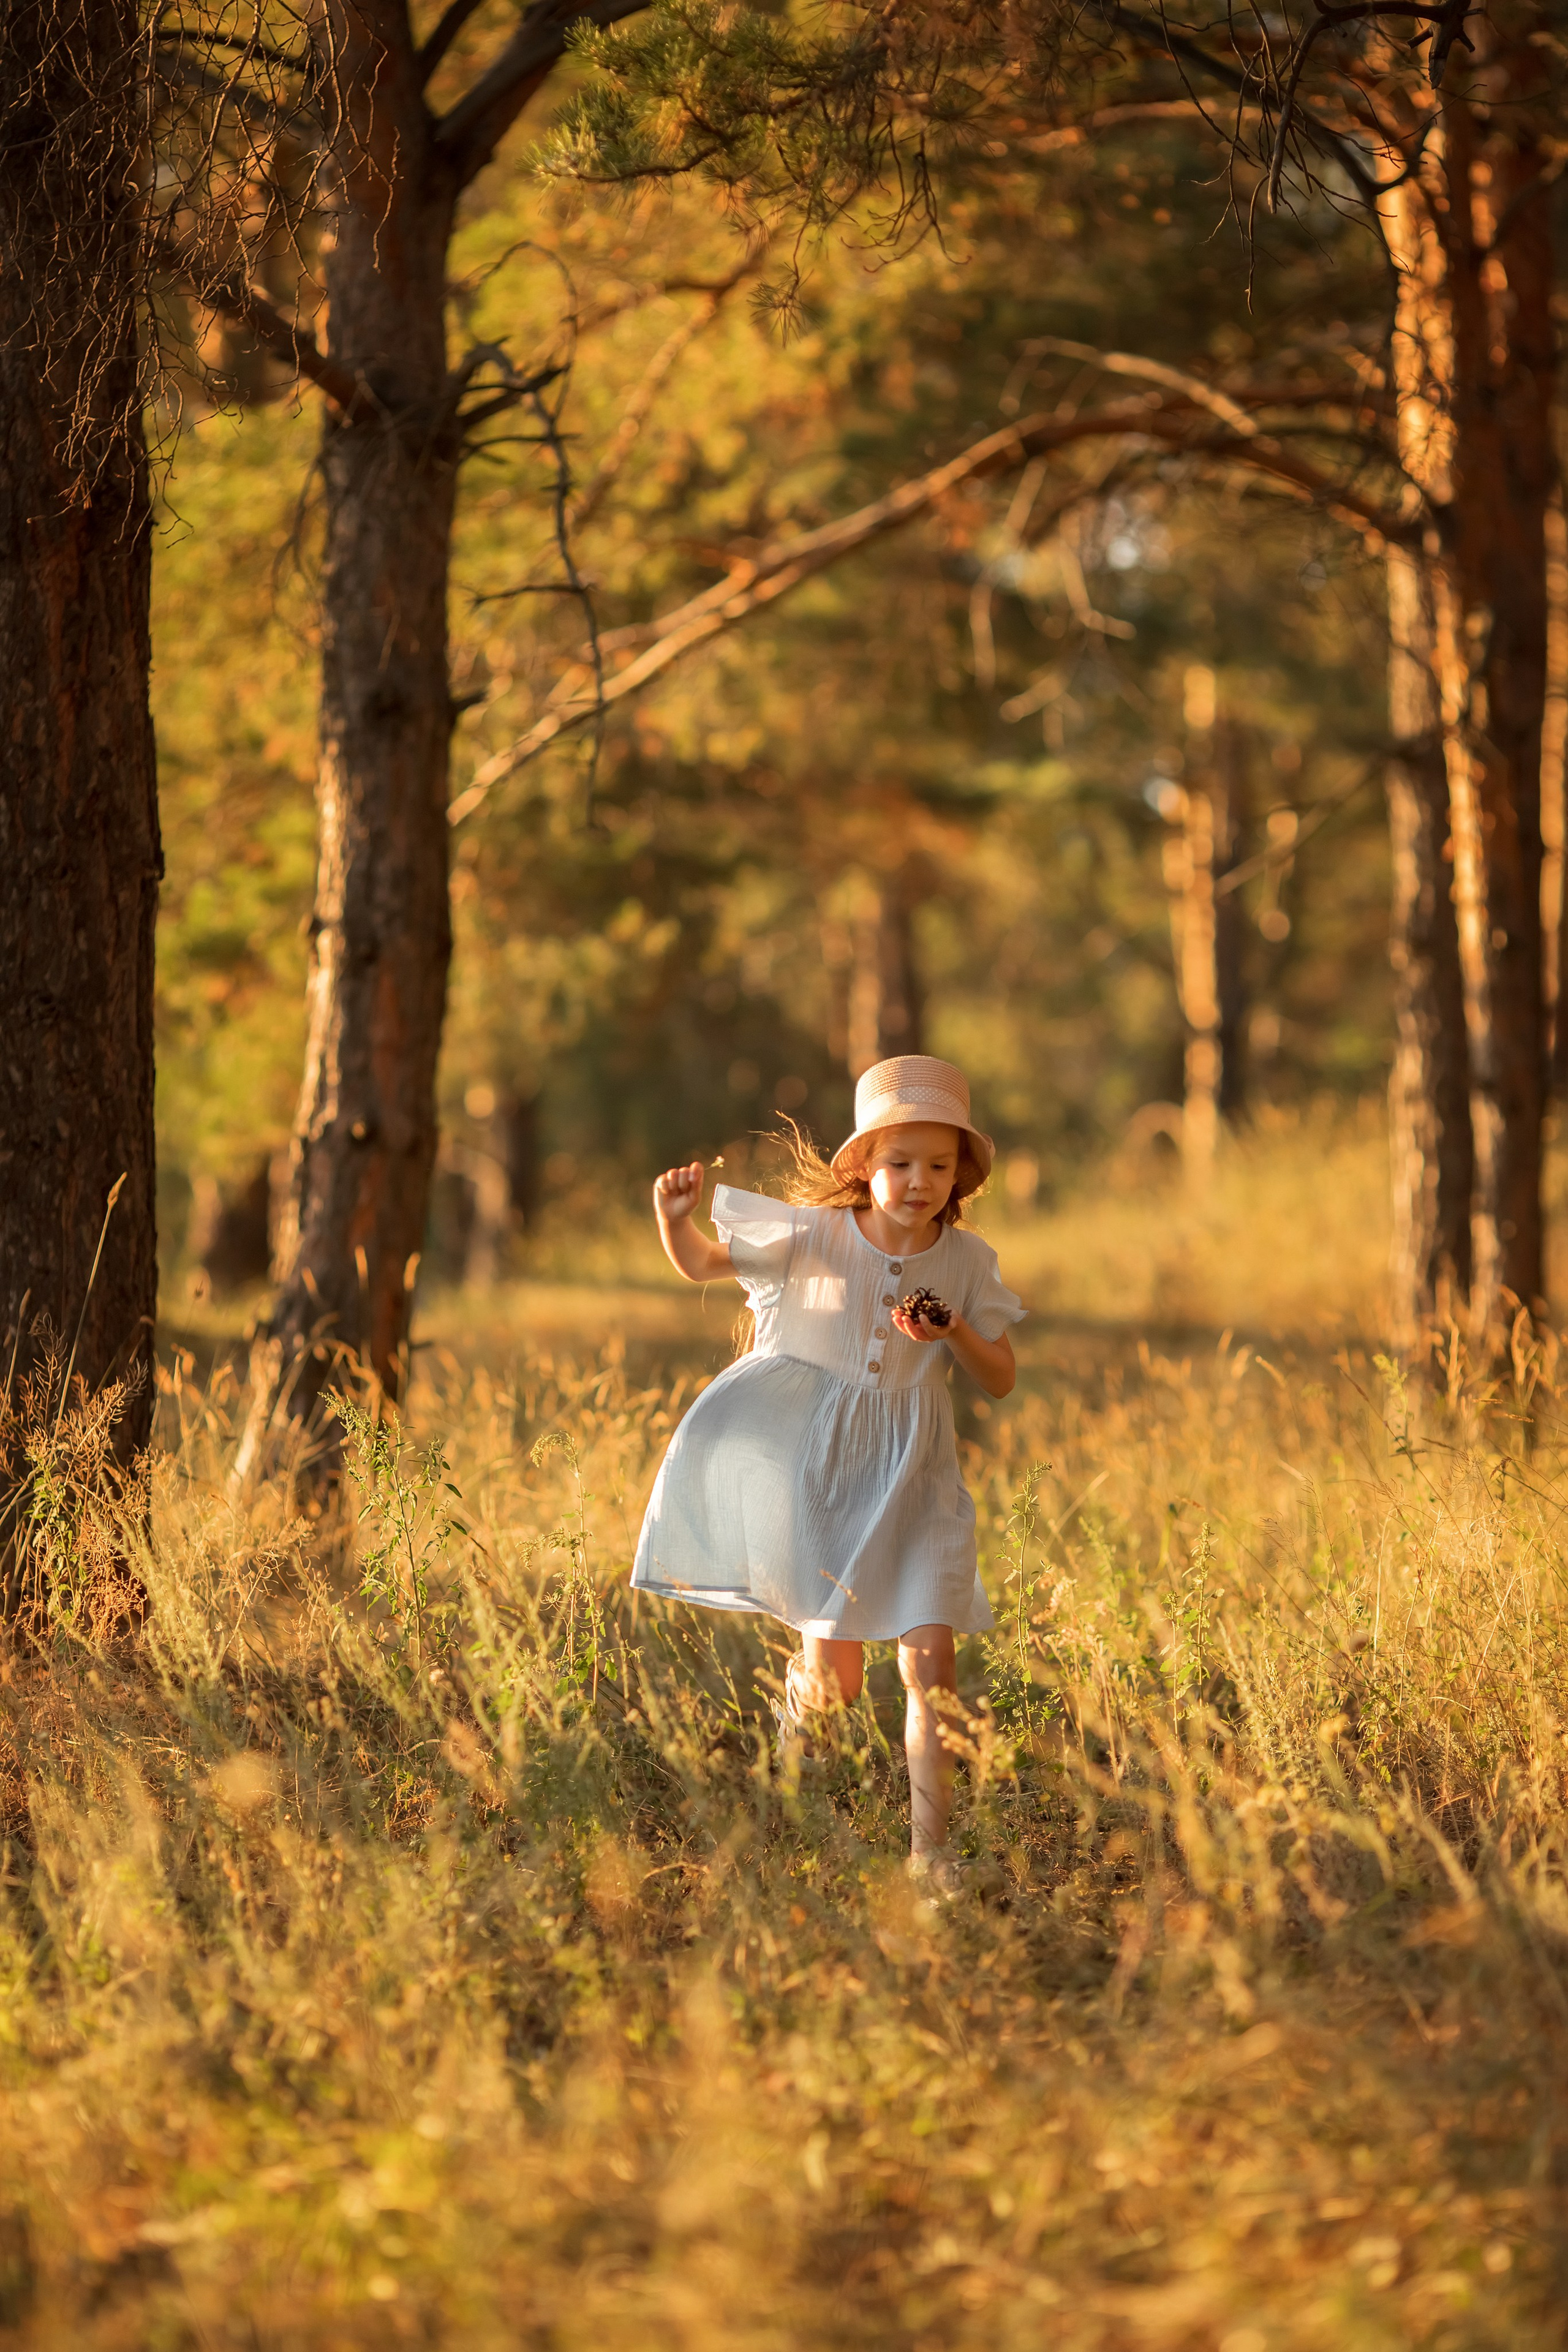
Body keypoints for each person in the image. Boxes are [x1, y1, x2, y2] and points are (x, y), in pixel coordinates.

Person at [632, 1055, 1023, 1892]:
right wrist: (674, 1219)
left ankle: (929, 1859)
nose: (920, 1182)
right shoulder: (814, 1238)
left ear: (960, 1174)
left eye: (939, 1165)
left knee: (931, 1670)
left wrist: (953, 1331)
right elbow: (701, 1265)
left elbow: (1000, 1375)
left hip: (918, 1481)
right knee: (836, 1685)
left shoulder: (965, 1262)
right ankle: (792, 1773)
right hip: (825, 1481)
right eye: (901, 1162)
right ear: (864, 1166)